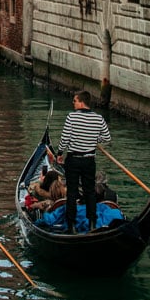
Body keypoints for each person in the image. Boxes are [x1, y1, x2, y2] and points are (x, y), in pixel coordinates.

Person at [56, 90, 111, 234]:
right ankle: (92, 224)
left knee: (72, 193)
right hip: (89, 160)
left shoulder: (71, 117)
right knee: (90, 192)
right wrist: (94, 140)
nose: (73, 103)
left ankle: (71, 226)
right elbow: (107, 138)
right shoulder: (98, 118)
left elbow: (65, 139)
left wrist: (59, 153)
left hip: (73, 159)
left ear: (81, 102)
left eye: (74, 101)